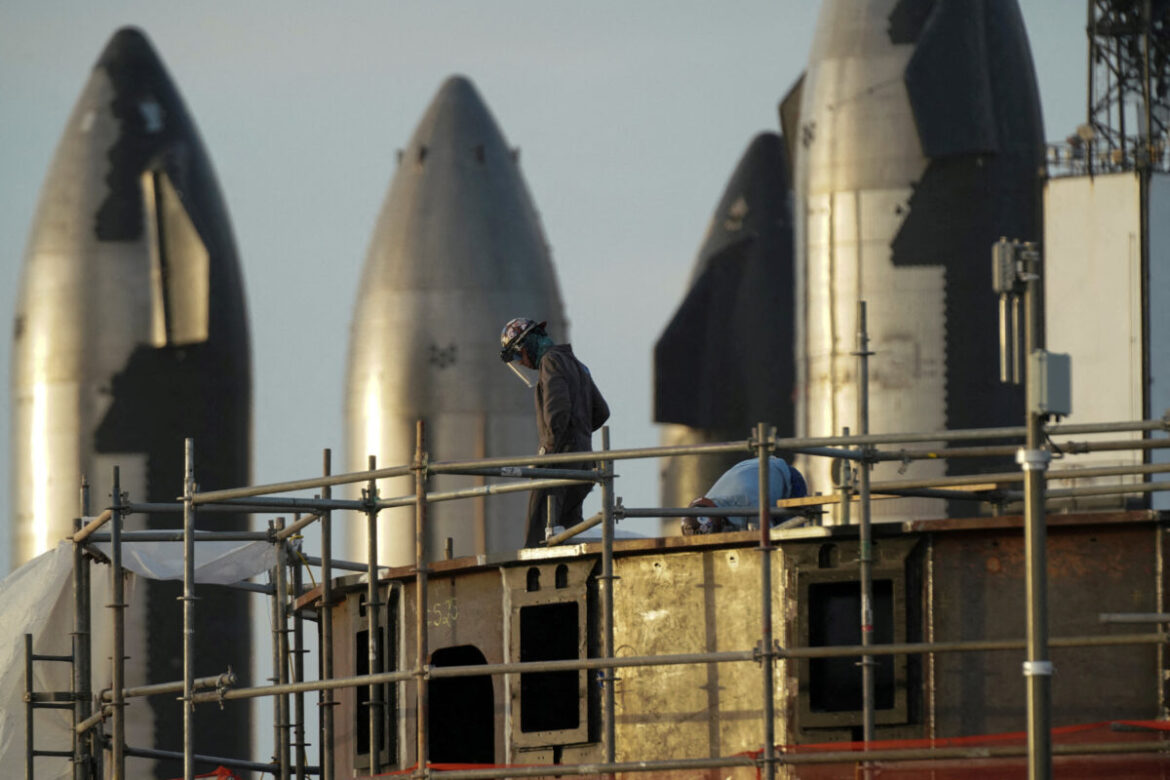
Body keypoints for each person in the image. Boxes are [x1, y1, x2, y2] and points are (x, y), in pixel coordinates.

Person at [499, 317, 610, 546]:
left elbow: (557, 411)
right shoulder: (577, 364)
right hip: (583, 459)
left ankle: (535, 576)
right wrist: (579, 432)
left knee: (541, 525)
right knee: (570, 528)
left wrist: (548, 451)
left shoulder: (550, 362)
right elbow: (601, 412)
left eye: (519, 355)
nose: (521, 363)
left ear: (527, 344)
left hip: (560, 456)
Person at [681, 456, 807, 535]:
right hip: (762, 471)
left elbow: (767, 540)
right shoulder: (711, 503)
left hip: (788, 480)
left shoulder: (747, 503)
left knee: (790, 541)